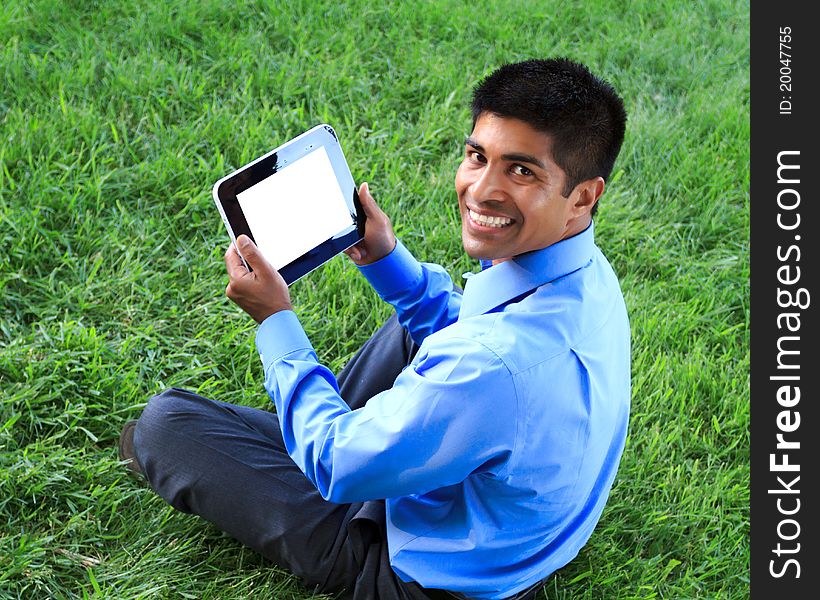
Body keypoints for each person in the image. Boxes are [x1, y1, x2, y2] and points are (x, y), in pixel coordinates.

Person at [119, 57, 630, 600]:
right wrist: (386, 260)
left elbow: (339, 465)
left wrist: (275, 320)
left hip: (421, 572)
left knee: (165, 424)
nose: (481, 190)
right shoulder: (588, 275)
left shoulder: (488, 364)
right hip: (508, 526)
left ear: (583, 195)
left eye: (521, 171)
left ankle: (335, 441)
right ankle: (359, 438)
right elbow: (466, 337)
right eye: (478, 156)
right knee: (416, 331)